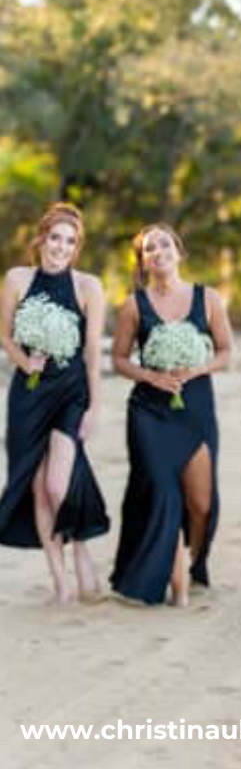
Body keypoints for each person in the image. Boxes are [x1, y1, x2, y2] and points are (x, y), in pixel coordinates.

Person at [110, 224, 232, 606]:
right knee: (163, 495)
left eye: (164, 244)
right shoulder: (134, 304)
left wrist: (194, 369)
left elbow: (226, 352)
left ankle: (195, 564)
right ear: (143, 262)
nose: (157, 252)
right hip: (149, 412)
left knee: (201, 505)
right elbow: (117, 358)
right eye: (149, 249)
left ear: (178, 250)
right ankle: (173, 588)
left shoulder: (207, 298)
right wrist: (151, 375)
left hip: (195, 410)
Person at [0, 203, 109, 603]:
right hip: (28, 395)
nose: (61, 247)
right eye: (55, 238)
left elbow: (93, 354)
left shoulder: (89, 287)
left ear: (76, 248)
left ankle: (80, 547)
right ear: (41, 238)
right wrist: (23, 360)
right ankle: (60, 581)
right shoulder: (16, 279)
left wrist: (95, 406)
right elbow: (4, 334)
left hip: (70, 393)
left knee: (58, 485)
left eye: (70, 241)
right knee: (37, 489)